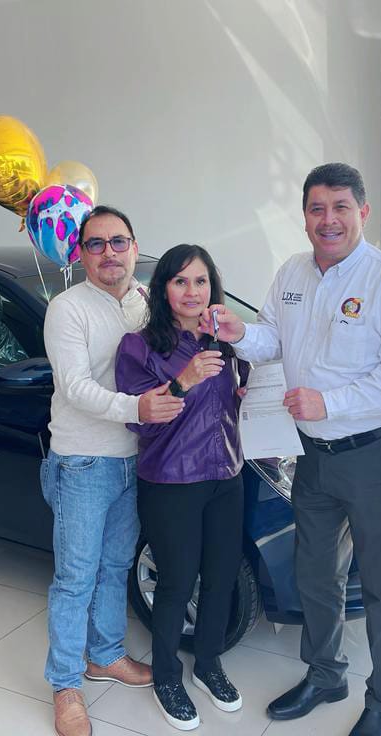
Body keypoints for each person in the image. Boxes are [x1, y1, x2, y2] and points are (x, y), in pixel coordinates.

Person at [206, 163, 381, 736]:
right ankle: (326, 674)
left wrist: (328, 403)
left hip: (375, 452)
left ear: (363, 212)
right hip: (309, 452)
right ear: (304, 215)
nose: (328, 220)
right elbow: (272, 339)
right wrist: (239, 334)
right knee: (316, 572)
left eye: (340, 207)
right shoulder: (292, 272)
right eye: (316, 209)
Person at [42, 204, 185, 736]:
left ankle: (105, 656)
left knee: (116, 565)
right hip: (83, 461)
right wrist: (137, 408)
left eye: (118, 242)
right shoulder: (67, 309)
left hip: (135, 460)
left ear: (134, 247)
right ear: (81, 254)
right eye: (96, 244)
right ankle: (65, 685)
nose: (109, 253)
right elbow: (75, 387)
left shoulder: (145, 303)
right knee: (75, 577)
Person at [115, 244, 249, 731]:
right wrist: (183, 381)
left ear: (213, 287)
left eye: (201, 281)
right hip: (171, 480)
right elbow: (139, 421)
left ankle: (208, 663)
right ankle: (167, 676)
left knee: (221, 576)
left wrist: (247, 389)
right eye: (180, 281)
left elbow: (234, 400)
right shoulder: (139, 347)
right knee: (175, 583)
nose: (192, 291)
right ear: (163, 289)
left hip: (226, 475)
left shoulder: (225, 341)